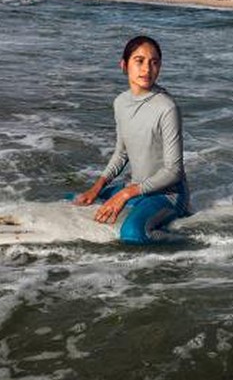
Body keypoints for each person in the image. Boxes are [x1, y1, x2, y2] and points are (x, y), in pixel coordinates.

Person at [74, 35, 191, 244]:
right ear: (124, 64)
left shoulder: (167, 108)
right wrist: (97, 186)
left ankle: (193, 245)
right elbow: (121, 153)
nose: (147, 68)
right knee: (77, 200)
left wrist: (126, 194)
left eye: (154, 62)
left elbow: (174, 172)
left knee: (132, 234)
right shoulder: (120, 102)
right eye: (139, 61)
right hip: (138, 187)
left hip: (168, 195)